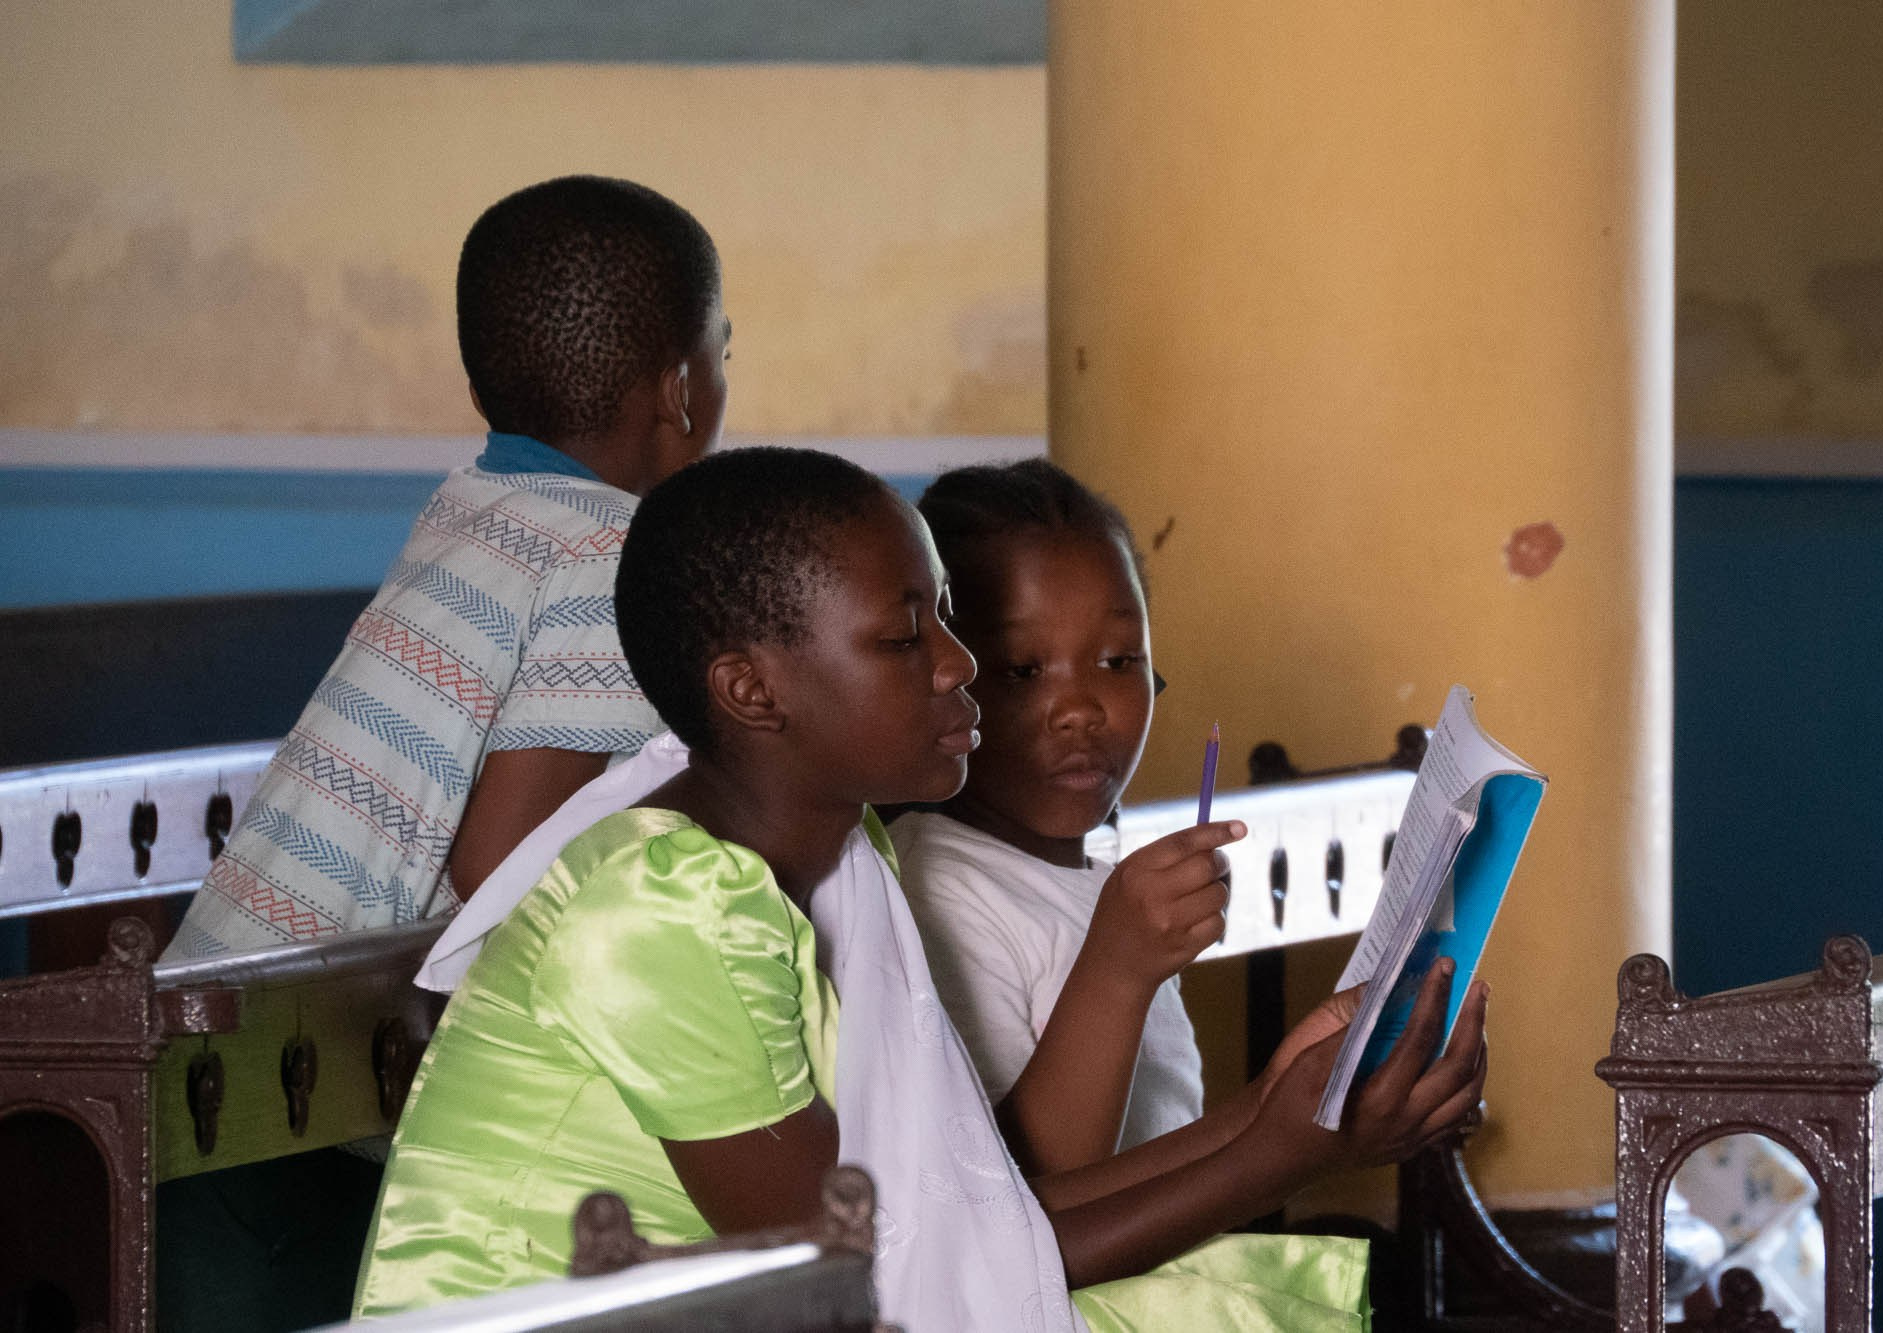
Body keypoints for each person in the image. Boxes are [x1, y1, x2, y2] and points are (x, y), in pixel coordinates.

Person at [352, 447, 1488, 1331]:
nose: (957, 665)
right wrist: (1276, 1153)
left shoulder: (840, 859)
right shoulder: (654, 907)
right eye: (907, 638)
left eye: (943, 618)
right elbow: (874, 1277)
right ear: (753, 690)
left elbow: (965, 1223)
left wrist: (1284, 1108)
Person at [161, 176, 730, 962]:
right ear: (682, 393)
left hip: (222, 975)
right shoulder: (619, 552)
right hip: (302, 1031)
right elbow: (507, 872)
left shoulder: (472, 505)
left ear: (479, 389)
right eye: (721, 352)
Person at [888, 458, 1210, 1175]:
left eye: (1119, 659)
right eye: (1024, 670)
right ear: (939, 676)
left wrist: (1317, 1102)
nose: (1081, 709)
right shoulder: (935, 889)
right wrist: (1119, 965)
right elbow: (1012, 1196)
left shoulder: (1106, 889)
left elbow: (1163, 1148)